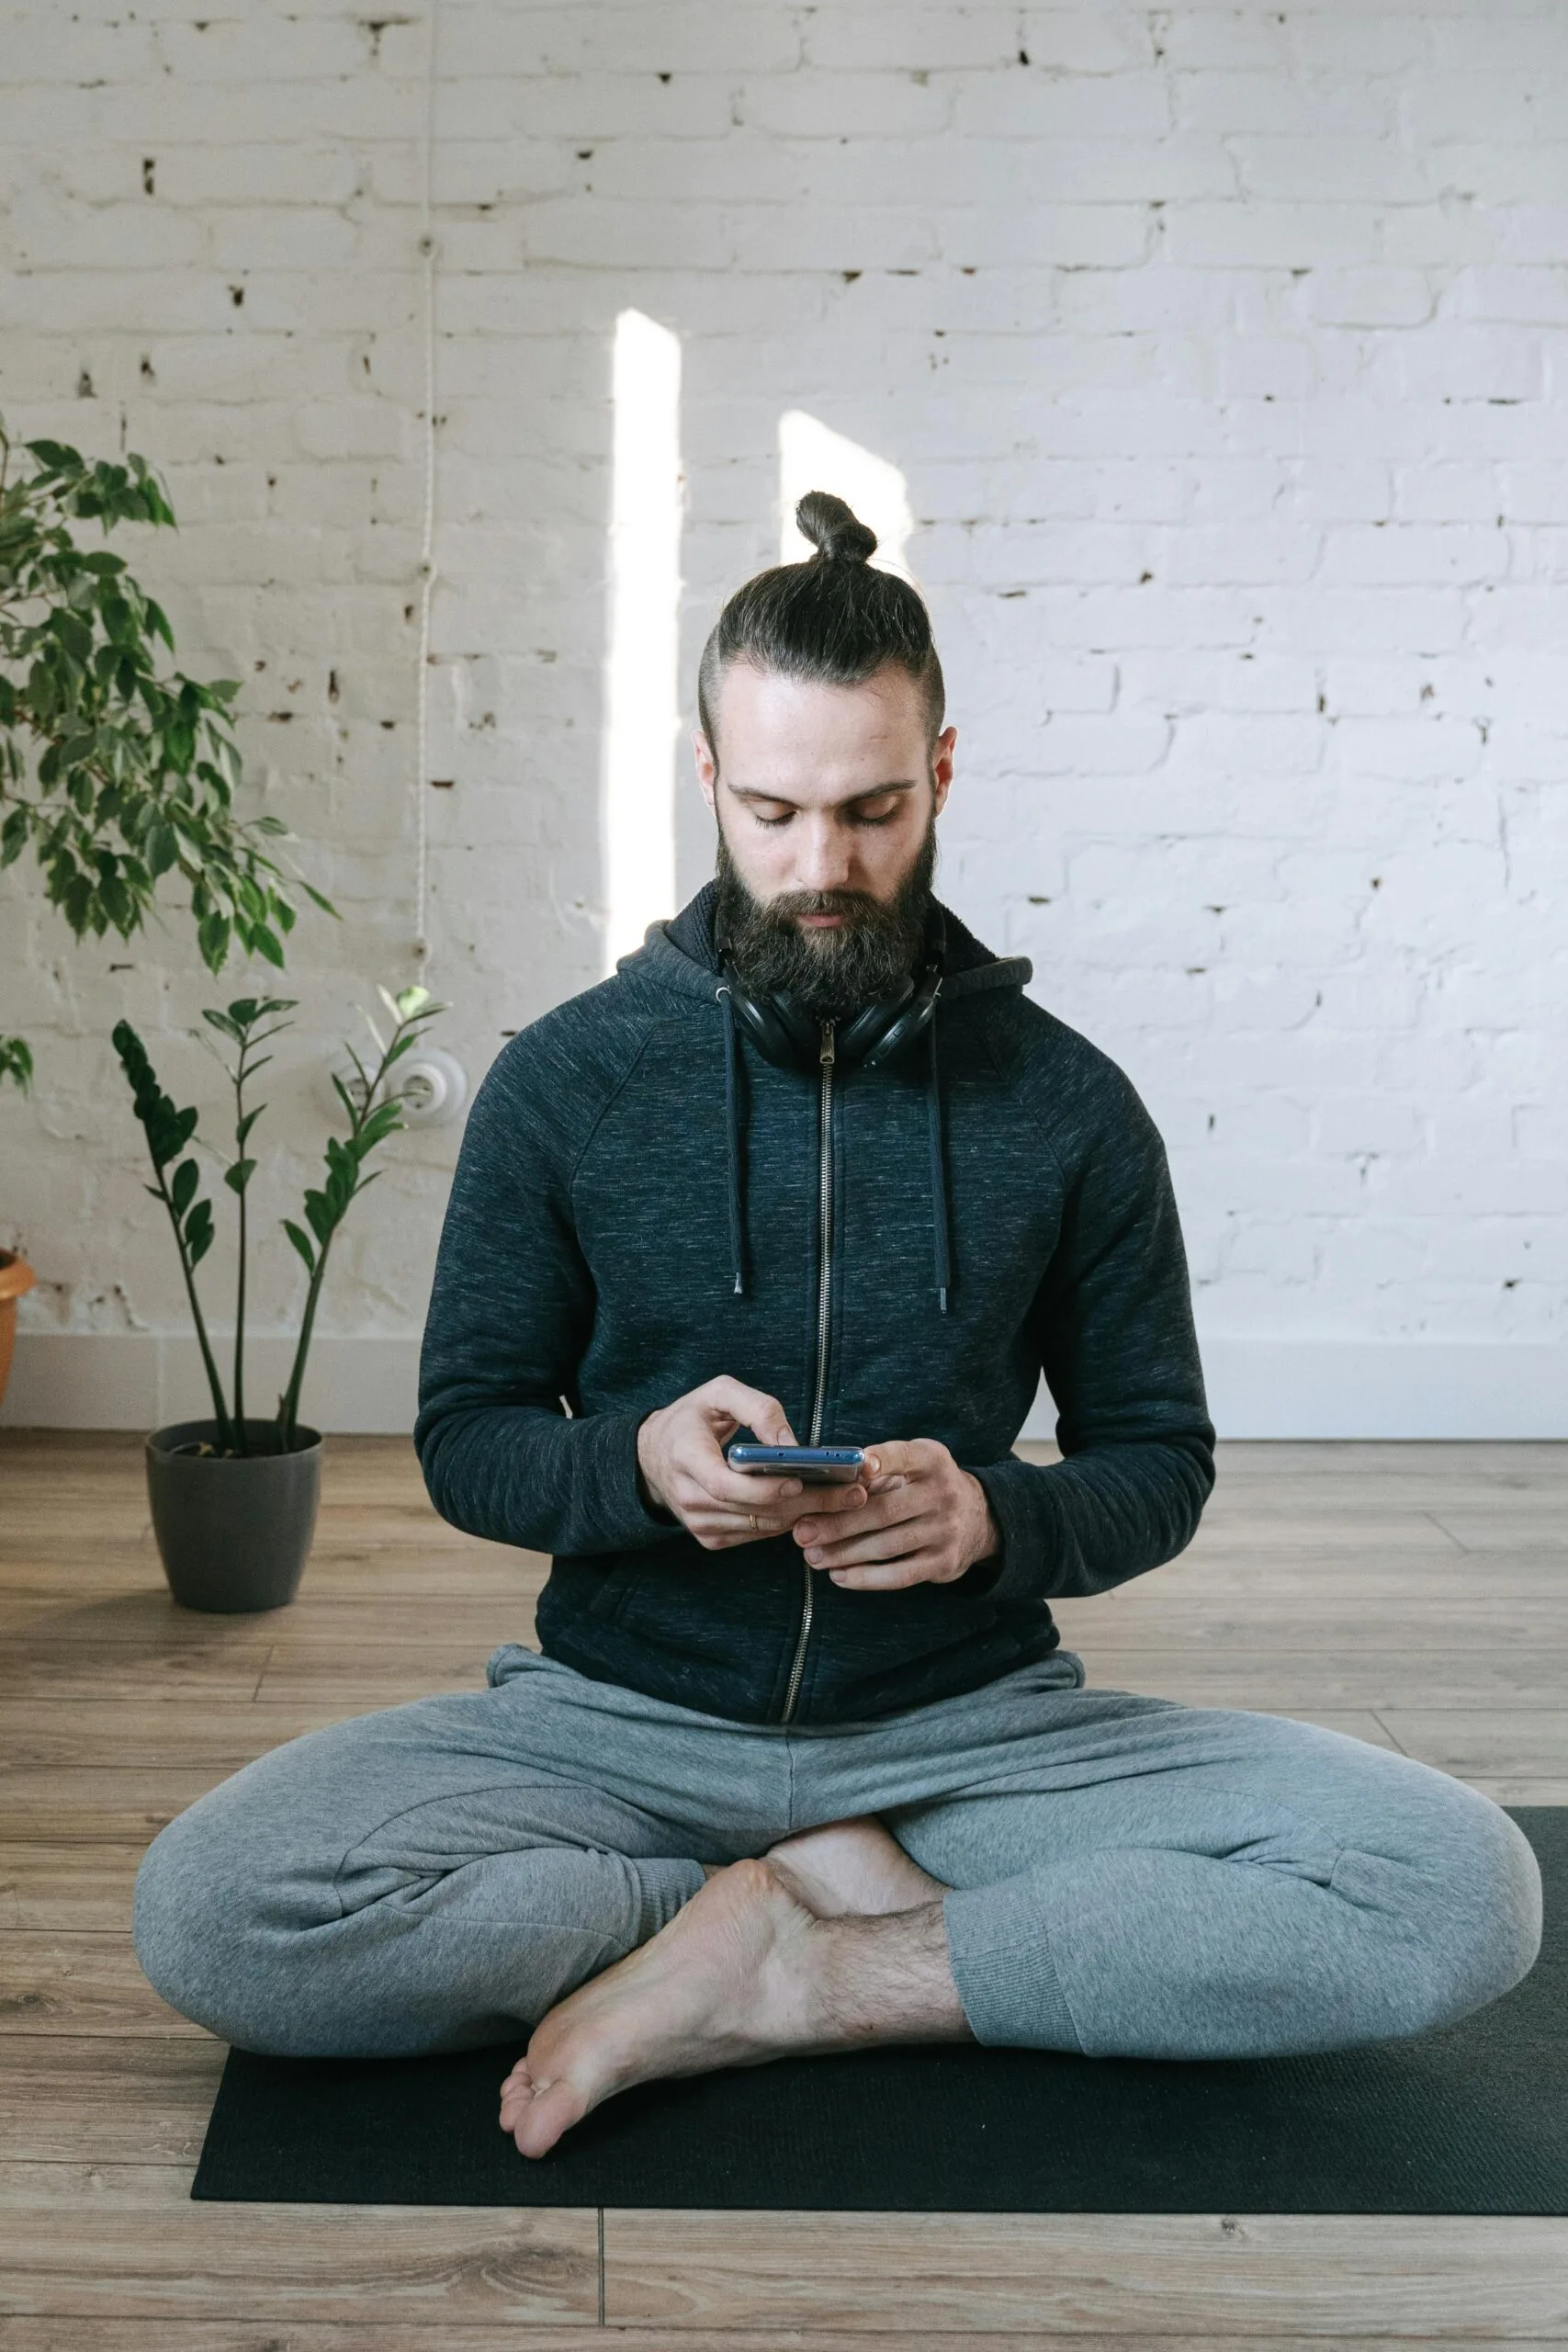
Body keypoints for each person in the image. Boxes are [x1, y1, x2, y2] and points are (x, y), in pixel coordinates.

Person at [134, 492, 1541, 2161]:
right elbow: (469, 1437)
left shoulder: (1070, 1107)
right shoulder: (567, 1081)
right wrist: (639, 1471)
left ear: (940, 772)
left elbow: (1156, 1463)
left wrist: (991, 1516)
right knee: (213, 1915)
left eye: (872, 811)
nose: (823, 867)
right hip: (614, 1727)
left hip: (972, 1734)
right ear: (708, 776)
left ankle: (814, 1971)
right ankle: (731, 1907)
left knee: (1458, 1891)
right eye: (779, 810)